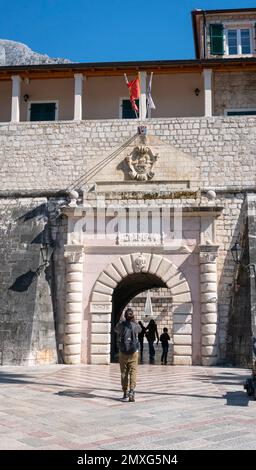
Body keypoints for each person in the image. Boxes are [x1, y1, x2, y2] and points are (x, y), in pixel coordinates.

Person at [114, 308, 141, 402]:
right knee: (133, 371)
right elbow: (140, 330)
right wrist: (134, 320)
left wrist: (122, 320)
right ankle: (132, 391)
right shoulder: (135, 325)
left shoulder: (121, 325)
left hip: (123, 352)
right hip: (133, 352)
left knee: (124, 373)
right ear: (132, 316)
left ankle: (125, 392)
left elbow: (116, 329)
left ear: (125, 316)